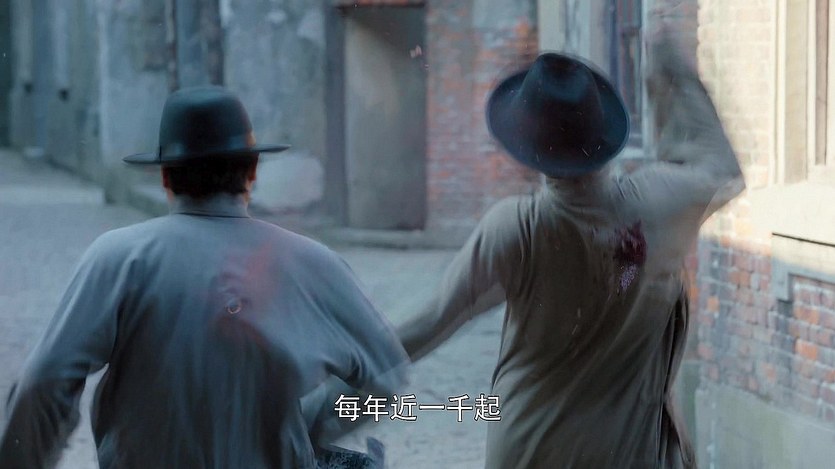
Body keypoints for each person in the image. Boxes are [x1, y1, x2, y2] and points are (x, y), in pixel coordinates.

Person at [396, 9, 744, 469]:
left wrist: (328, 378)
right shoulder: (662, 205)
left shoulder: (516, 229)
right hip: (626, 455)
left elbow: (427, 324)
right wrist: (668, 66)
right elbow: (721, 168)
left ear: (528, 151)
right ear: (604, 134)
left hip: (529, 450)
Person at [0, 86, 408, 468]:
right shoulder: (316, 263)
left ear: (165, 177)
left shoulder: (119, 258)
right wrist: (310, 423)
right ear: (251, 171)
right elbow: (387, 374)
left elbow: (44, 380)